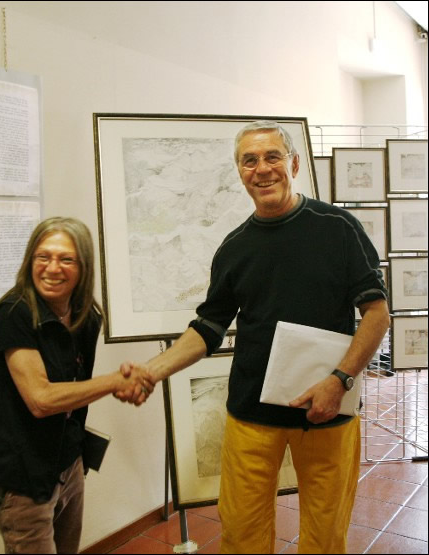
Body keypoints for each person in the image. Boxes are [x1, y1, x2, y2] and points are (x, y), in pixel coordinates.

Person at [118, 121, 390, 554]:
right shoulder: (234, 248)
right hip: (252, 414)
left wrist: (339, 380)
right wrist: (152, 371)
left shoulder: (338, 228)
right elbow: (207, 329)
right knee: (242, 535)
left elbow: (377, 314)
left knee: (326, 536)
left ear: (293, 163)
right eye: (250, 160)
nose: (262, 169)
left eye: (272, 157)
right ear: (239, 171)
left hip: (327, 409)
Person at [0, 216, 152, 554]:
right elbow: (41, 399)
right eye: (43, 257)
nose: (52, 268)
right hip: (22, 476)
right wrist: (116, 381)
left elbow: (76, 391)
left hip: (68, 463)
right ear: (30, 261)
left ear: (82, 267)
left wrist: (78, 457)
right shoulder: (15, 313)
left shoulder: (87, 317)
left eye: (66, 259)